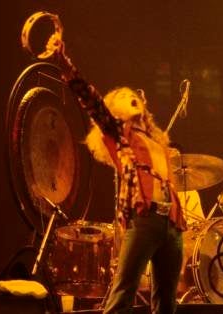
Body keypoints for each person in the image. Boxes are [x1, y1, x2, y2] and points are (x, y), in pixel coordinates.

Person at [52, 39, 186, 314]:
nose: (131, 96)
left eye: (133, 95)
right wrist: (65, 64)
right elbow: (91, 101)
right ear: (115, 110)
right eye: (124, 97)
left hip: (171, 224)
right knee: (123, 293)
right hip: (145, 219)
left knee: (167, 304)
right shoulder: (120, 136)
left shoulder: (158, 141)